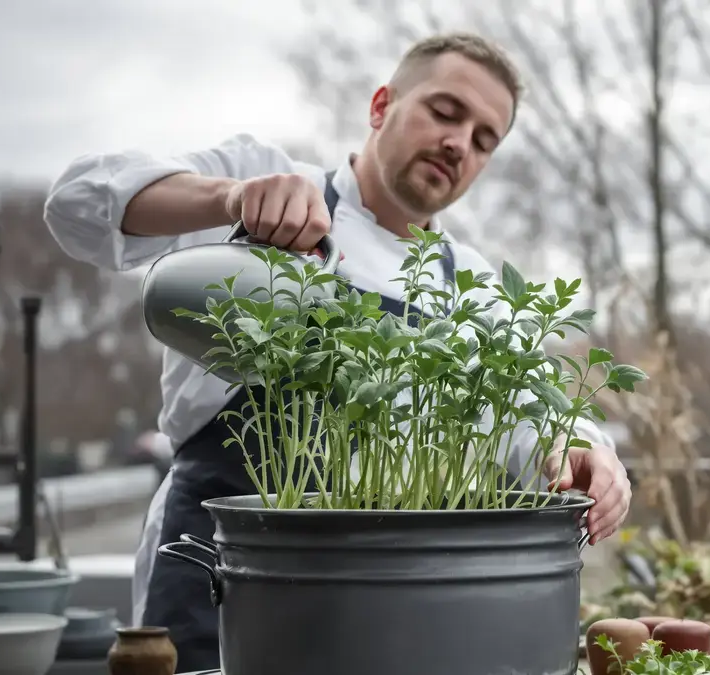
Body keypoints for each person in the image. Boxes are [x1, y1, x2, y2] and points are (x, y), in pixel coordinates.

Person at [44, 32, 633, 671]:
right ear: (381, 105)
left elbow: (530, 424)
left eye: (485, 138)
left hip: (388, 605)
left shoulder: (477, 287)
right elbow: (76, 204)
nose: (459, 142)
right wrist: (230, 198)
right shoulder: (271, 186)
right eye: (445, 111)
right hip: (221, 576)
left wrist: (585, 449)